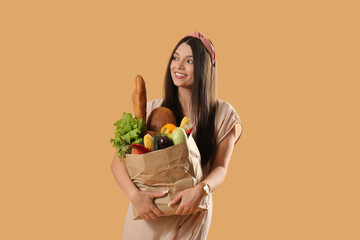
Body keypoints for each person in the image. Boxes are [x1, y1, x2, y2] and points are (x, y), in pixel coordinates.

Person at [110, 31, 242, 240]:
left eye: (189, 61)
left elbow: (220, 168)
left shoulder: (223, 115)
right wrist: (135, 197)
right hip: (150, 214)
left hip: (191, 213)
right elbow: (118, 162)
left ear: (206, 69)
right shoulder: (151, 109)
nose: (178, 66)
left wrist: (202, 190)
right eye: (175, 58)